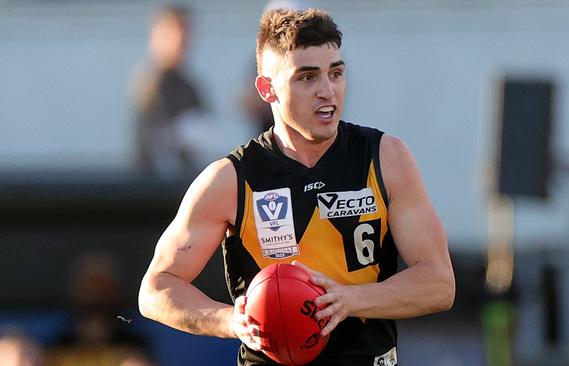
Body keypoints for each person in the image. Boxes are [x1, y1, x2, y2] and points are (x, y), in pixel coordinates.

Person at [139, 8, 455, 365]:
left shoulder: (386, 157)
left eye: (335, 73)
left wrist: (351, 299)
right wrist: (230, 320)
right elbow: (156, 288)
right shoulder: (231, 179)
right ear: (266, 88)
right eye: (307, 77)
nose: (327, 91)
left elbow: (439, 283)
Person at [131, 5, 212, 180]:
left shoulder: (189, 84)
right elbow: (156, 140)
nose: (180, 41)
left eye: (186, 34)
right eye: (174, 33)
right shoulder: (153, 83)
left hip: (184, 179)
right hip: (156, 183)